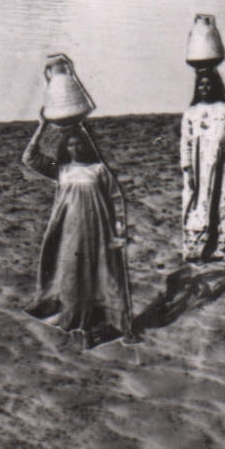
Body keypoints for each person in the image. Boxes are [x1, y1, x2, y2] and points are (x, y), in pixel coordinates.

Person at [21, 109, 136, 349]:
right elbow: (30, 158)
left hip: (100, 232)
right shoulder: (61, 170)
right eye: (70, 144)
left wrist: (120, 231)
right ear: (65, 147)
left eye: (79, 144)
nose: (75, 148)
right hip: (69, 233)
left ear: (85, 145)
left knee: (107, 275)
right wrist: (42, 126)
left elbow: (115, 199)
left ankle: (118, 326)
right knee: (73, 274)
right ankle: (77, 321)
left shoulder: (98, 170)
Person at [181, 15, 225, 263]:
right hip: (199, 168)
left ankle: (223, 245)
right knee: (198, 202)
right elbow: (185, 143)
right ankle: (196, 247)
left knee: (224, 201)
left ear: (215, 86)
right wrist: (186, 166)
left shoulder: (224, 110)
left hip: (224, 163)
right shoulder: (190, 114)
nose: (205, 88)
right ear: (197, 89)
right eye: (202, 85)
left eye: (209, 84)